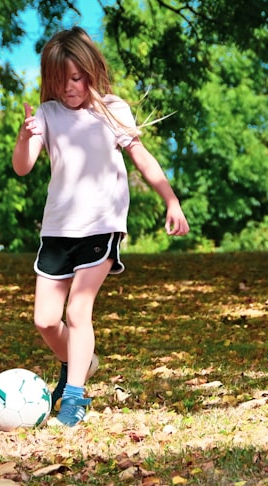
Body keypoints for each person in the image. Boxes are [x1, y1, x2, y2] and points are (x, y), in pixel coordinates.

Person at [12, 26, 190, 427]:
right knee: (44, 319)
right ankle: (81, 360)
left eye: (76, 78)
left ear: (91, 71)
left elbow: (142, 159)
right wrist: (24, 138)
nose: (69, 88)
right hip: (57, 230)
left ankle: (74, 399)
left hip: (101, 225)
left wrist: (171, 200)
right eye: (60, 81)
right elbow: (22, 167)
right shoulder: (47, 114)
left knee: (78, 310)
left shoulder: (112, 110)